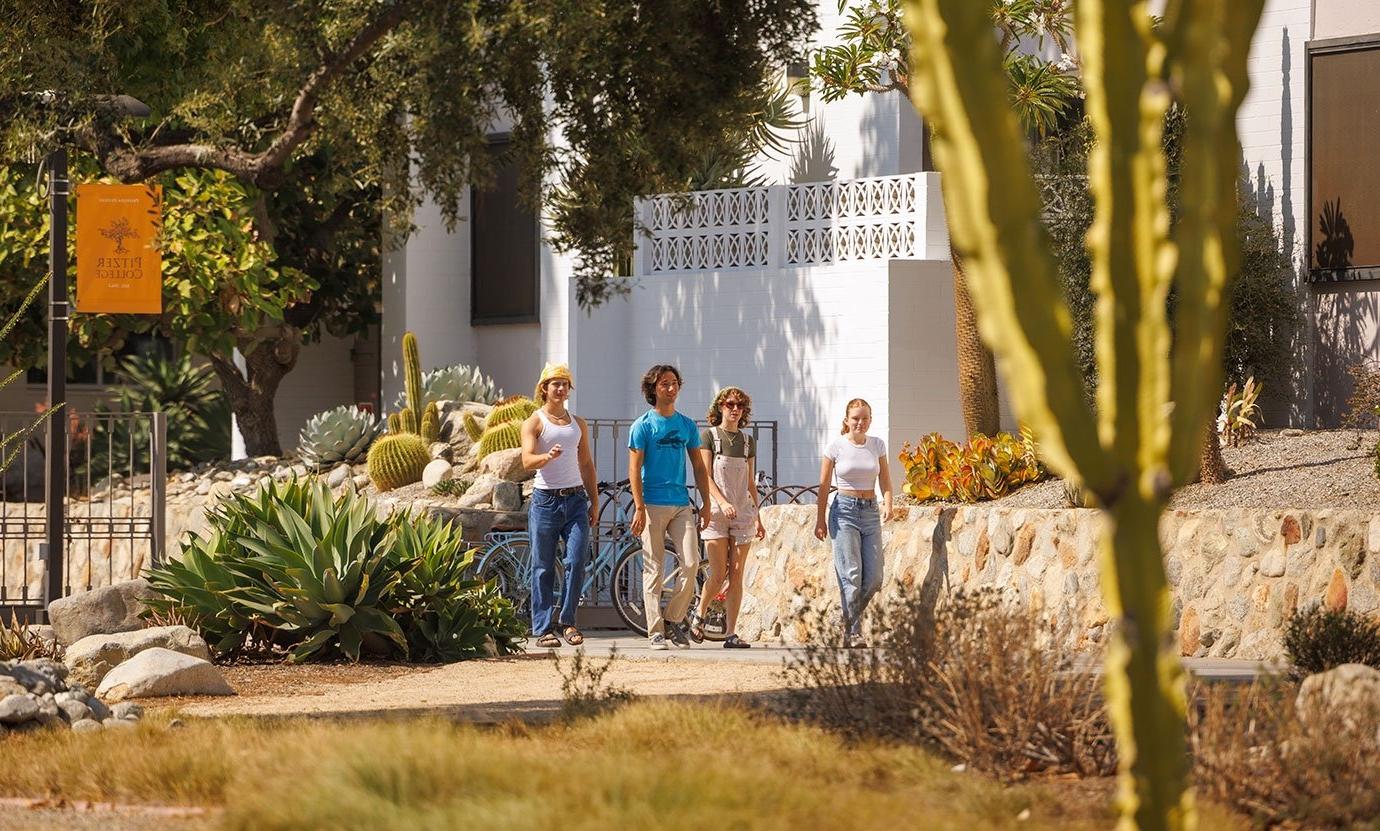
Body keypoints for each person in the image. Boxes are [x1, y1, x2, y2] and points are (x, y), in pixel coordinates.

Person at [628, 364, 713, 650]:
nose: (671, 388)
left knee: (690, 563)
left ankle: (674, 619)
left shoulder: (687, 425)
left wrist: (707, 503)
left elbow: (700, 468)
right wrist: (639, 507)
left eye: (674, 383)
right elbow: (634, 468)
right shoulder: (642, 425)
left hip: (680, 505)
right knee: (653, 567)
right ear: (653, 389)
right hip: (651, 504)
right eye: (664, 384)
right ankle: (655, 631)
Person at [521, 362, 598, 649]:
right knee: (542, 566)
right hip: (545, 501)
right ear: (545, 388)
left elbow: (586, 463)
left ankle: (568, 621)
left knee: (576, 561)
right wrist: (546, 458)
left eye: (565, 383)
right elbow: (527, 460)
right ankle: (542, 628)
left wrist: (594, 500)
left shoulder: (578, 423)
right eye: (556, 383)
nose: (561, 388)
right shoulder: (535, 422)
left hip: (576, 499)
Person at [813, 398, 897, 648]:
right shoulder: (835, 448)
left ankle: (847, 620)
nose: (860, 422)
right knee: (851, 574)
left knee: (873, 578)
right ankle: (854, 633)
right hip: (844, 512)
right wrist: (820, 520)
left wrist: (888, 504)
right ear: (847, 421)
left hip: (870, 511)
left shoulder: (877, 445)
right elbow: (824, 486)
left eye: (865, 418)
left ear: (870, 419)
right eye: (855, 418)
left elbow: (885, 481)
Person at [690, 386, 764, 648]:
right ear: (719, 407)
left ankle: (731, 632)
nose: (735, 409)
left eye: (740, 406)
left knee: (737, 573)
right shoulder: (709, 437)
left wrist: (758, 516)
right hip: (716, 511)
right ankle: (700, 614)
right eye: (730, 404)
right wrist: (720, 502)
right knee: (719, 572)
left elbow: (750, 483)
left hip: (742, 511)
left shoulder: (747, 442)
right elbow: (705, 476)